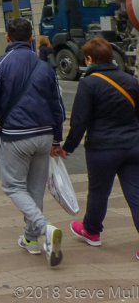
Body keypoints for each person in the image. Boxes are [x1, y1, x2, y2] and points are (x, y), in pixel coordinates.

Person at [0, 17, 66, 267]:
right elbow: (58, 106)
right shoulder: (45, 67)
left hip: (17, 135)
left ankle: (44, 228)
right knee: (35, 189)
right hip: (45, 134)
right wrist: (56, 139)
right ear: (31, 39)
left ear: (8, 38)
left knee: (14, 187)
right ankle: (31, 239)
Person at [59, 37, 139, 257]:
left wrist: (68, 146)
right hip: (133, 146)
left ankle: (92, 231)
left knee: (98, 191)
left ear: (89, 59)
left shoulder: (89, 83)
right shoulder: (131, 81)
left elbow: (80, 121)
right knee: (136, 193)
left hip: (102, 148)